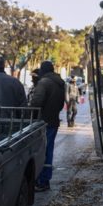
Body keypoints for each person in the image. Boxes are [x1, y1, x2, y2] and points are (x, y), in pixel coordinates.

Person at [30, 61, 65, 192]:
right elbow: (61, 104)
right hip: (53, 120)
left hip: (42, 122)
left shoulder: (44, 82)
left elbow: (36, 102)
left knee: (41, 151)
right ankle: (45, 179)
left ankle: (41, 180)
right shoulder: (60, 82)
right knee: (48, 151)